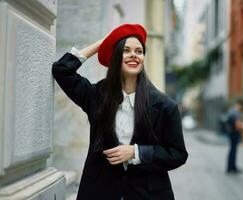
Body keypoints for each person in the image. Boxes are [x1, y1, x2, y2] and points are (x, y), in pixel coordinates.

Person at [52, 24, 188, 200]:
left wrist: (136, 152)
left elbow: (178, 154)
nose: (134, 55)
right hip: (100, 191)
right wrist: (103, 43)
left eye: (139, 51)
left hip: (148, 194)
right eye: (126, 50)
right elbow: (62, 70)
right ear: (115, 57)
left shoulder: (164, 105)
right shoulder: (96, 95)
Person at [225, 99, 243, 174]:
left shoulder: (231, 111)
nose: (241, 108)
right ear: (239, 105)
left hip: (230, 133)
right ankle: (232, 168)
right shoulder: (237, 113)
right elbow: (238, 126)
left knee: (232, 150)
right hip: (234, 133)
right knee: (233, 151)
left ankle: (230, 167)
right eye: (241, 107)